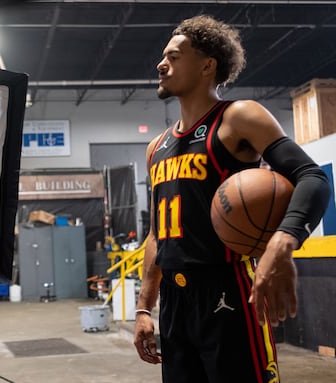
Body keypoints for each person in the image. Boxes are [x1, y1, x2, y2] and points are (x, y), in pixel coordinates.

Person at [133, 15, 331, 383]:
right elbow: (156, 235)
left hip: (228, 289)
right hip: (175, 305)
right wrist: (144, 307)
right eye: (163, 57)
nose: (162, 64)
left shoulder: (239, 117)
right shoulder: (155, 148)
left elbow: (312, 177)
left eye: (174, 57)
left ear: (208, 65)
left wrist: (283, 241)